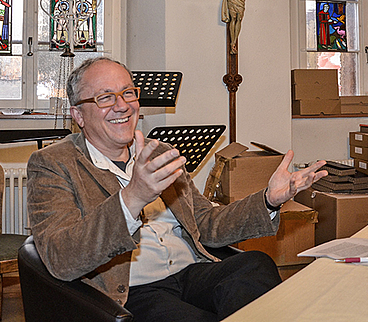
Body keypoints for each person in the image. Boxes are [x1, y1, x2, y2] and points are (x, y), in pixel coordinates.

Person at [27, 57, 326, 321]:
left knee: (254, 266)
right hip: (133, 290)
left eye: (128, 93)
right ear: (78, 115)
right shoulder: (53, 164)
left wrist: (269, 200)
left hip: (191, 273)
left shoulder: (160, 153)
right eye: (105, 98)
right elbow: (61, 256)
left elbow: (207, 223)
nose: (122, 105)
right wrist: (132, 197)